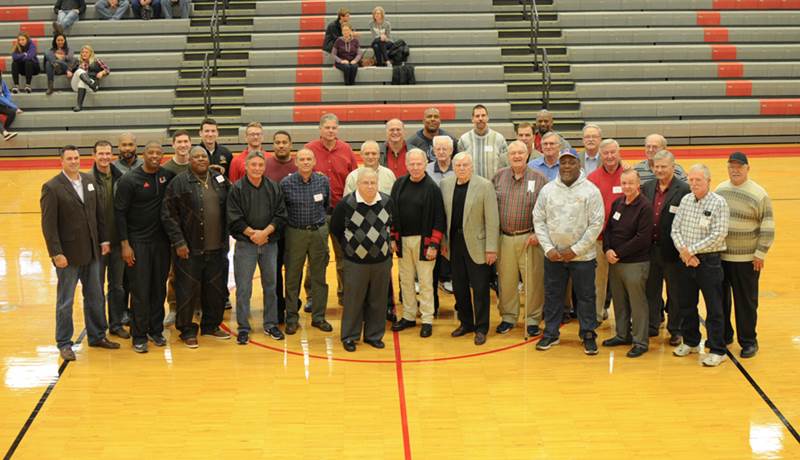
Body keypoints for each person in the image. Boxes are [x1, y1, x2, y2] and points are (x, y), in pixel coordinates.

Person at [41, 145, 120, 361]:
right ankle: (64, 343)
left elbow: (99, 215)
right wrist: (56, 253)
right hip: (67, 256)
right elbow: (49, 226)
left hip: (92, 252)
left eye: (76, 158)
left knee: (95, 296)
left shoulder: (89, 181)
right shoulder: (52, 187)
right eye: (69, 158)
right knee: (65, 301)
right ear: (62, 161)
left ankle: (97, 336)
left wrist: (103, 240)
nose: (74, 161)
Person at [533, 150, 604, 354]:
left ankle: (588, 334)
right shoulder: (547, 190)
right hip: (554, 256)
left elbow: (596, 223)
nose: (566, 166)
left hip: (582, 257)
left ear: (578, 165)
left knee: (586, 297)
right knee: (553, 295)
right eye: (563, 163)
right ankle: (551, 333)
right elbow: (538, 219)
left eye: (570, 163)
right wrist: (548, 248)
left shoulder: (591, 191)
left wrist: (575, 250)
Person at [162, 147, 231, 348]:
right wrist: (179, 242)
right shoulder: (179, 182)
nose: (201, 159)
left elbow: (232, 204)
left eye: (204, 156)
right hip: (189, 249)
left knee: (215, 289)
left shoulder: (219, 179)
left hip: (217, 247)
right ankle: (187, 330)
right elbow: (168, 215)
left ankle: (211, 325)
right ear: (189, 160)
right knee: (187, 291)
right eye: (196, 157)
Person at [114, 142, 176, 353]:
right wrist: (125, 244)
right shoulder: (129, 179)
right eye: (151, 153)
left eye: (159, 153)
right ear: (144, 155)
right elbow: (120, 213)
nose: (155, 156)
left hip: (161, 242)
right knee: (140, 290)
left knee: (158, 289)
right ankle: (138, 335)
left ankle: (155, 330)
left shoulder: (167, 176)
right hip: (137, 243)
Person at [716, 152, 775, 358]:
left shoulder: (759, 194)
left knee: (746, 303)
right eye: (731, 166)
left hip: (746, 260)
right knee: (721, 300)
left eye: (739, 167)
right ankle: (724, 336)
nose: (735, 170)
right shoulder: (720, 190)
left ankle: (749, 341)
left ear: (747, 168)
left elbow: (768, 226)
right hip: (721, 257)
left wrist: (760, 253)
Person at [671, 164, 730, 367]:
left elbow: (719, 234)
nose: (694, 184)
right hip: (686, 261)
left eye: (698, 180)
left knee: (714, 307)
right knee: (686, 304)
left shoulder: (719, 203)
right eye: (691, 180)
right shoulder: (686, 200)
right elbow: (675, 229)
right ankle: (691, 341)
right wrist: (685, 253)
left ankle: (717, 349)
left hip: (709, 262)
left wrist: (691, 251)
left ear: (708, 181)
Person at [227, 151, 288, 345]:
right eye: (253, 165)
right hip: (246, 244)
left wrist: (265, 233)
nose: (257, 168)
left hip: (269, 244)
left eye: (260, 165)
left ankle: (270, 324)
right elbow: (234, 217)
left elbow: (280, 215)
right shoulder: (236, 189)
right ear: (246, 166)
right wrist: (253, 234)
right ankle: (243, 327)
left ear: (264, 167)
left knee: (271, 287)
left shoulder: (273, 187)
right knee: (244, 288)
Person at [331, 168, 394, 352]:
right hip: (355, 262)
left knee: (378, 300)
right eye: (365, 183)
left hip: (381, 261)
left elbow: (391, 224)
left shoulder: (387, 201)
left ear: (377, 184)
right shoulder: (346, 204)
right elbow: (335, 228)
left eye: (372, 183)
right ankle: (350, 336)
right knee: (353, 301)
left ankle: (373, 336)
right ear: (358, 184)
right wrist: (350, 247)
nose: (369, 186)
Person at [440, 153, 499, 346]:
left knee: (481, 288)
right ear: (453, 167)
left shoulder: (484, 186)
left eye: (465, 165)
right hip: (454, 243)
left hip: (478, 245)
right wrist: (443, 243)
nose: (462, 168)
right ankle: (466, 323)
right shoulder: (446, 184)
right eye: (458, 165)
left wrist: (491, 248)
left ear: (472, 167)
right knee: (459, 287)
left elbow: (492, 219)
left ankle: (481, 328)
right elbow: (444, 217)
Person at [493, 140, 548, 337]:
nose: (516, 156)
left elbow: (546, 211)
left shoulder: (539, 179)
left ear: (528, 155)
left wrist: (537, 233)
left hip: (529, 238)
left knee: (533, 282)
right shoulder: (498, 177)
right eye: (513, 153)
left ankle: (533, 319)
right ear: (508, 156)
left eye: (520, 153)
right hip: (505, 238)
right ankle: (508, 317)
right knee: (506, 281)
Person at [390, 149, 446, 338]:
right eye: (411, 164)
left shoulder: (432, 188)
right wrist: (393, 238)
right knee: (405, 280)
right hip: (403, 241)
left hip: (425, 242)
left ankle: (427, 318)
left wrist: (434, 245)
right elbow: (392, 213)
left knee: (425, 283)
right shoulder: (399, 185)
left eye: (418, 164)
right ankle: (408, 315)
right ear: (406, 165)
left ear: (425, 164)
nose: (415, 167)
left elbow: (439, 218)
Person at [304, 113, 359, 307]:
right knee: (316, 257)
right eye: (327, 127)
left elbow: (355, 178)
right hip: (316, 212)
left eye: (334, 128)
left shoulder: (346, 150)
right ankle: (312, 297)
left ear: (338, 129)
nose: (330, 131)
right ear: (320, 129)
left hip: (340, 212)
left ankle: (345, 294)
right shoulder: (309, 150)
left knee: (344, 256)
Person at [602, 169, 653, 358]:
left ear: (638, 184)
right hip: (615, 262)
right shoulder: (618, 203)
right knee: (620, 301)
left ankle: (640, 341)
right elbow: (608, 230)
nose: (627, 187)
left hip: (635, 263)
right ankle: (622, 334)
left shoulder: (644, 207)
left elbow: (642, 238)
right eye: (624, 183)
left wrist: (619, 253)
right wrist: (607, 249)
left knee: (637, 303)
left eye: (631, 183)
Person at [280, 149, 332, 335]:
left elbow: (327, 206)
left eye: (309, 159)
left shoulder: (323, 181)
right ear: (296, 162)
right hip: (295, 233)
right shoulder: (286, 183)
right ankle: (292, 318)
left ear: (314, 161)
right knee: (293, 277)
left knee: (319, 277)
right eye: (302, 159)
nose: (305, 162)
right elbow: (282, 210)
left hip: (318, 232)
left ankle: (319, 317)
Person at [641, 150, 689, 345]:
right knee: (651, 289)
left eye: (663, 167)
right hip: (651, 249)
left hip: (673, 250)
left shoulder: (684, 189)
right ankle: (653, 324)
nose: (659, 170)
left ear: (673, 167)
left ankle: (676, 329)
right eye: (656, 166)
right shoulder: (648, 186)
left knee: (675, 292)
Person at [91, 140, 129, 339]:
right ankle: (98, 329)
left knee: (117, 286)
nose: (105, 157)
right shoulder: (87, 179)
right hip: (96, 246)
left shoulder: (120, 178)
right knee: (95, 288)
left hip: (117, 242)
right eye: (101, 154)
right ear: (94, 155)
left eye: (108, 154)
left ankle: (116, 324)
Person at [587, 138, 625, 324]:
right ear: (600, 156)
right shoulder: (592, 178)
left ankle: (624, 320)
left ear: (619, 153)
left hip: (624, 242)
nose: (610, 156)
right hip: (599, 239)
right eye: (606, 153)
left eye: (613, 152)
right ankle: (596, 315)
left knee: (622, 282)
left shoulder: (628, 175)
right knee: (598, 282)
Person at [265, 130, 298, 323]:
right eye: (277, 142)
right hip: (273, 229)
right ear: (273, 145)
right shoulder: (266, 165)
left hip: (293, 228)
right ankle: (277, 309)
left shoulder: (298, 164)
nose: (281, 145)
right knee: (274, 271)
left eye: (284, 142)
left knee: (293, 271)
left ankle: (292, 306)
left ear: (290, 144)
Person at [457, 104, 508, 179]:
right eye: (477, 116)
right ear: (472, 119)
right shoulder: (464, 140)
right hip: (471, 186)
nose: (480, 118)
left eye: (483, 115)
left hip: (493, 186)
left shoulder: (499, 139)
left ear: (487, 118)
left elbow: (506, 165)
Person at [70, 45, 110, 112]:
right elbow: (69, 70)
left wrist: (102, 72)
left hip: (86, 87)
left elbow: (107, 69)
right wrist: (69, 71)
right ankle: (93, 85)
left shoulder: (96, 61)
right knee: (79, 71)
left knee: (82, 82)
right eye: (83, 52)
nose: (84, 54)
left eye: (86, 52)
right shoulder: (77, 61)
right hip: (76, 85)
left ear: (90, 53)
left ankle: (79, 105)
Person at [0, 73, 20, 142]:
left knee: (12, 112)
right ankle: (4, 133)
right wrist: (15, 107)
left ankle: (4, 131)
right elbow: (1, 98)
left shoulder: (2, 82)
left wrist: (8, 101)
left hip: (1, 105)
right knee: (14, 109)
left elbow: (7, 93)